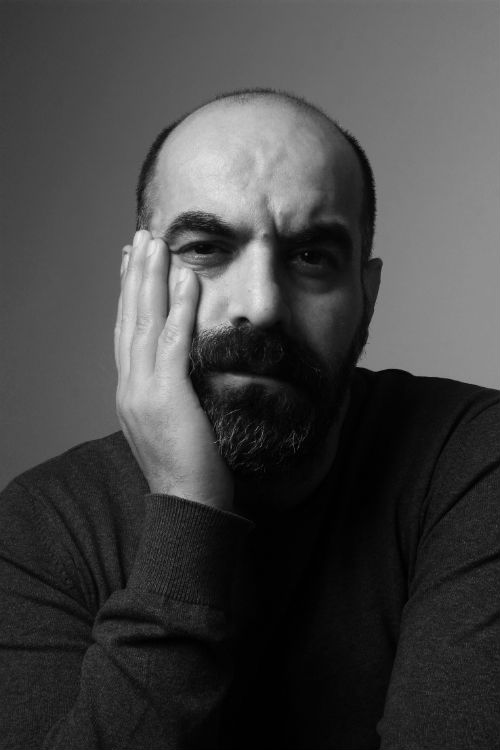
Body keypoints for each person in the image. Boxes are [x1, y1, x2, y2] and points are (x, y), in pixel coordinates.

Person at [0, 88, 499, 750]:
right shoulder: (39, 527)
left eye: (312, 257)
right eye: (206, 247)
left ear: (367, 295)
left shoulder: (474, 459)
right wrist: (188, 510)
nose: (261, 305)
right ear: (138, 282)